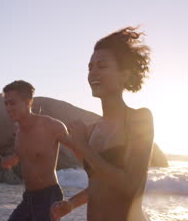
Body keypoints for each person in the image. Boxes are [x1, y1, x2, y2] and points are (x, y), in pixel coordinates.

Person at [50, 27, 154, 221]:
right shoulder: (91, 130)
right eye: (90, 67)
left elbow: (131, 185)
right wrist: (71, 203)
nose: (93, 73)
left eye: (102, 66)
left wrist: (81, 146)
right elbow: (99, 184)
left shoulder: (139, 119)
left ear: (124, 74)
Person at [0, 80, 73, 221]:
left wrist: (95, 186)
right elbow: (25, 153)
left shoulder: (52, 126)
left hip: (49, 196)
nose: (8, 108)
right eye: (6, 103)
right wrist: (12, 160)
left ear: (28, 102)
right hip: (28, 197)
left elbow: (80, 152)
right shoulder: (18, 130)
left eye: (12, 103)